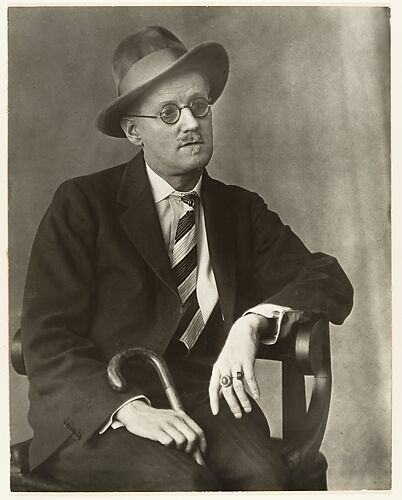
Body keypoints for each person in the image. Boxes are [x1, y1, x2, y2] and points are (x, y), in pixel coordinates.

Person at [21, 26, 353, 491]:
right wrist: (129, 410)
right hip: (101, 412)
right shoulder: (82, 204)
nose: (191, 123)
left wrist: (252, 324)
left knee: (266, 477)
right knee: (182, 484)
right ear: (133, 131)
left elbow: (326, 277)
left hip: (203, 400)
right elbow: (46, 338)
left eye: (199, 106)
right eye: (169, 113)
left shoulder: (239, 210)